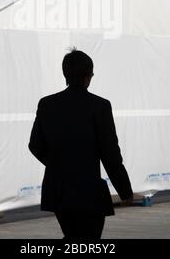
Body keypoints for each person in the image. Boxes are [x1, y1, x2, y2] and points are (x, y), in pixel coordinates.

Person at [28, 48, 133, 240]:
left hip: (58, 189)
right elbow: (110, 154)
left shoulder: (47, 104)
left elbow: (35, 145)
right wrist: (125, 191)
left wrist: (57, 165)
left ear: (65, 74)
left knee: (72, 236)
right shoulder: (100, 106)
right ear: (88, 75)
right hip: (89, 191)